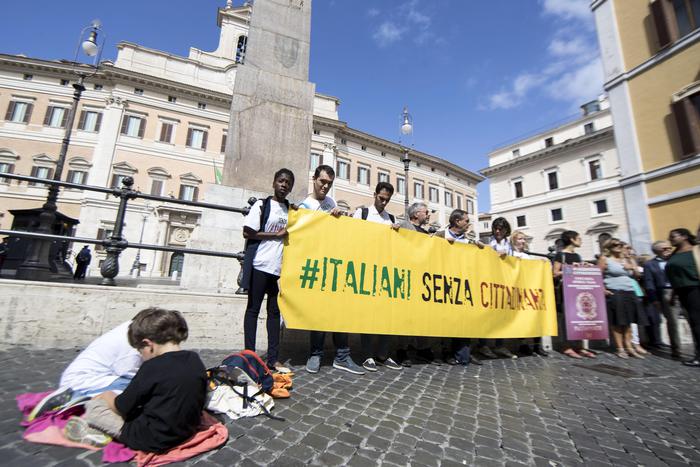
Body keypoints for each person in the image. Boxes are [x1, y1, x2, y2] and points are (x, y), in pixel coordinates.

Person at [64, 308, 207, 451]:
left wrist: (105, 396)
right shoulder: (194, 359)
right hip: (187, 430)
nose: (141, 355)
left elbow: (122, 407)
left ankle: (95, 432)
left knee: (94, 407)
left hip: (150, 439)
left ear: (148, 344)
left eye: (140, 350)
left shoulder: (151, 367)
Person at [301, 165, 364, 375]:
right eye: (322, 182)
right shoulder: (305, 205)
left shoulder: (331, 203)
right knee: (319, 313)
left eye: (329, 184)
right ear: (314, 179)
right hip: (316, 265)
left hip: (334, 266)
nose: (325, 187)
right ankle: (315, 354)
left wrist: (338, 218)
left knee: (340, 311)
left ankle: (342, 356)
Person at [27, 319, 143, 422]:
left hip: (90, 377)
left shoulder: (134, 330)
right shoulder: (133, 351)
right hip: (82, 380)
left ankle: (82, 399)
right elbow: (129, 374)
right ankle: (74, 397)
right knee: (139, 388)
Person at [241, 168, 294, 370]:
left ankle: (273, 358)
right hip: (259, 265)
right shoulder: (262, 205)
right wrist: (275, 235)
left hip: (278, 269)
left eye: (288, 183)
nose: (284, 185)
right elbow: (248, 232)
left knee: (274, 314)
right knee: (253, 310)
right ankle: (250, 356)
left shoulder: (291, 209)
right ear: (274, 182)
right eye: (281, 181)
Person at [352, 181, 402, 372]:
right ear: (374, 195)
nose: (383, 202)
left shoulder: (391, 218)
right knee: (368, 315)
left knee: (386, 315)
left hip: (385, 272)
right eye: (381, 198)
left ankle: (383, 353)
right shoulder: (362, 214)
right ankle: (367, 355)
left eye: (387, 200)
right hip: (365, 269)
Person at [434, 209, 484, 366]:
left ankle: (464, 354)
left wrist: (481, 249)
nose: (468, 223)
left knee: (464, 322)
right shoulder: (439, 235)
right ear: (457, 221)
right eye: (466, 220)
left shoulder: (469, 241)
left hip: (463, 286)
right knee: (445, 322)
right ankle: (444, 353)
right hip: (443, 285)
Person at [395, 202, 440, 367]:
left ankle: (423, 349)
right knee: (406, 317)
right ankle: (403, 349)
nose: (428, 215)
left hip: (423, 279)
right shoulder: (405, 226)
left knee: (423, 317)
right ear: (415, 214)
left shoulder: (427, 232)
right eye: (426, 212)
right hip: (408, 277)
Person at [598, 238, 649, 359]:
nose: (619, 246)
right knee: (617, 321)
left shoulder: (627, 259)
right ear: (608, 247)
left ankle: (629, 346)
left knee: (629, 321)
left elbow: (637, 276)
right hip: (615, 292)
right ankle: (620, 348)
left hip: (629, 291)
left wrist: (631, 266)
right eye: (615, 245)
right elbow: (597, 275)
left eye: (620, 244)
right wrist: (603, 289)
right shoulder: (605, 259)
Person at [552, 230, 596, 359]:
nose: (580, 240)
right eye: (579, 238)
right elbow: (554, 273)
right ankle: (567, 346)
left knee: (580, 318)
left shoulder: (577, 256)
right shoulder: (560, 255)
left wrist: (584, 266)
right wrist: (572, 268)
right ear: (572, 239)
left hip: (579, 290)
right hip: (566, 290)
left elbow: (578, 271)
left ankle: (580, 346)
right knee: (568, 317)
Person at [480, 217, 516, 359]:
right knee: (486, 315)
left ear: (506, 230)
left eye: (500, 229)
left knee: (502, 316)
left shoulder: (510, 244)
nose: (497, 231)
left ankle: (499, 345)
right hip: (488, 281)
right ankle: (483, 345)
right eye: (495, 228)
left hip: (505, 282)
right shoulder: (488, 241)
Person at [511, 230, 549, 357]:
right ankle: (523, 344)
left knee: (535, 317)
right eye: (520, 239)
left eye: (524, 239)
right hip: (517, 290)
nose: (523, 241)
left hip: (529, 289)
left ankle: (537, 345)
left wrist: (541, 265)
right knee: (521, 319)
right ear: (514, 240)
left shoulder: (527, 256)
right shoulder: (510, 254)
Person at [666, 228, 700, 367]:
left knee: (698, 322)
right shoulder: (674, 253)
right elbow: (675, 276)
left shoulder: (696, 250)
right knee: (693, 322)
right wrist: (673, 295)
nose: (670, 239)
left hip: (695, 288)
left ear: (684, 237)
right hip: (681, 290)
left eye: (673, 236)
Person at [644, 241, 681, 357]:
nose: (668, 250)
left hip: (683, 289)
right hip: (666, 292)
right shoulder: (650, 264)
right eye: (664, 249)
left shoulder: (676, 260)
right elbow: (649, 282)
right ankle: (676, 349)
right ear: (656, 251)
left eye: (669, 248)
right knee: (673, 322)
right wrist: (654, 299)